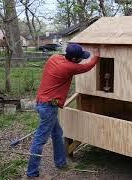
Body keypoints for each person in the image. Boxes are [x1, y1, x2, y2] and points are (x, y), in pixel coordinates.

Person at [26, 43, 100, 178]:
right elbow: (87, 66)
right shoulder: (69, 67)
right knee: (40, 140)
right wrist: (97, 55)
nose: (82, 59)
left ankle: (60, 162)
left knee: (57, 133)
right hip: (48, 106)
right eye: (80, 58)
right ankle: (32, 172)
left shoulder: (54, 58)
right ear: (73, 59)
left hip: (44, 103)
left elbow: (73, 60)